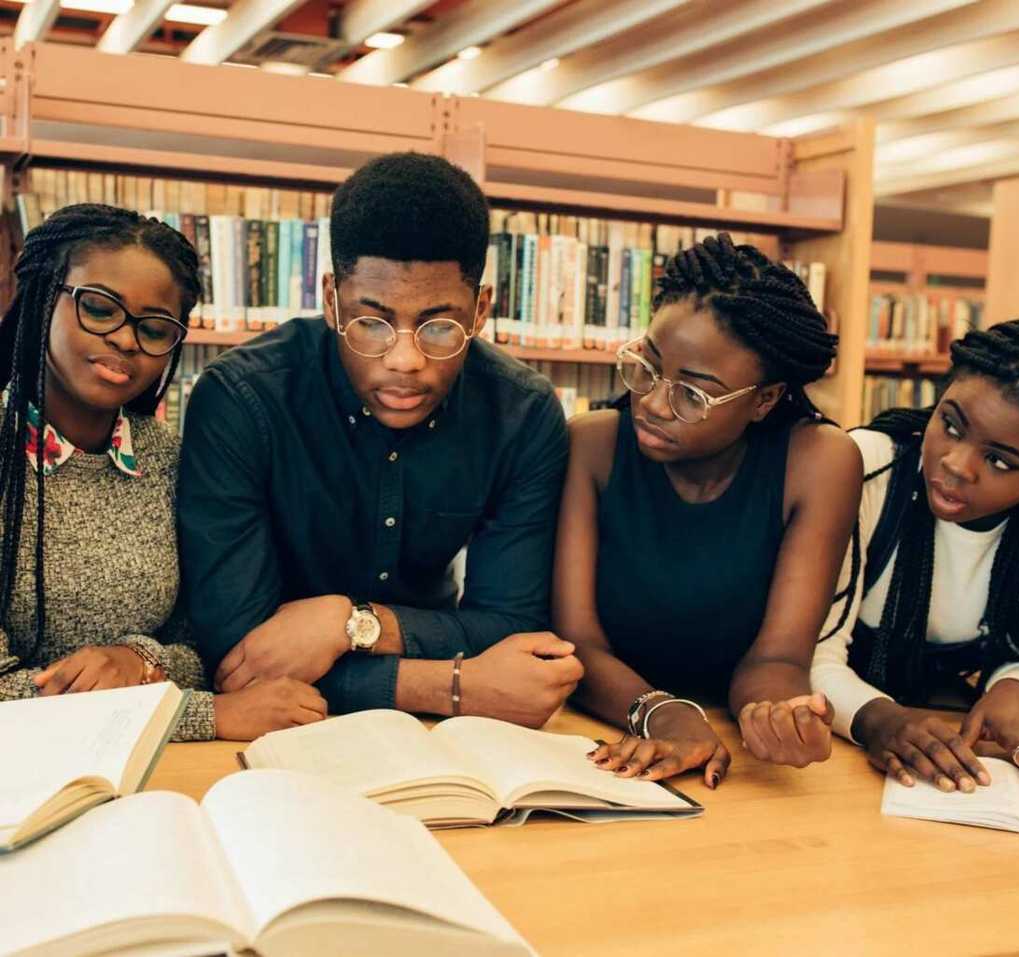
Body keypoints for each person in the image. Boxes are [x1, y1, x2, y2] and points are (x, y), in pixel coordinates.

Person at [178, 153, 582, 725]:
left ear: (482, 309)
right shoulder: (241, 400)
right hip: (278, 724)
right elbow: (239, 656)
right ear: (331, 298)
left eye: (440, 326)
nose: (405, 361)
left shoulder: (523, 412)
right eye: (372, 322)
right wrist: (451, 686)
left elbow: (511, 624)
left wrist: (348, 624)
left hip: (437, 736)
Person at [0, 203, 326, 741]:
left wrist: (139, 659)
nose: (127, 340)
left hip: (153, 771)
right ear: (41, 297)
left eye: (154, 328)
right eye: (101, 310)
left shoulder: (168, 459)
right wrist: (204, 715)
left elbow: (203, 647)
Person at [552, 233, 862, 787]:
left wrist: (777, 715)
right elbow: (578, 641)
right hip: (601, 724)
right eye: (647, 367)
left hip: (724, 738)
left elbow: (778, 658)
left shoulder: (820, 462)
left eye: (692, 395)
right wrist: (662, 712)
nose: (649, 402)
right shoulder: (592, 447)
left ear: (764, 400)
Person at [813, 319, 1019, 792]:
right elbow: (805, 653)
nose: (956, 464)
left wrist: (1018, 689)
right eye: (950, 424)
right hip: (832, 755)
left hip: (953, 754)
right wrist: (880, 721)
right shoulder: (865, 466)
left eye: (999, 461)